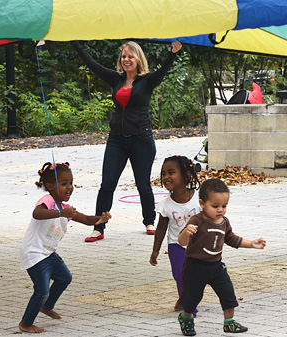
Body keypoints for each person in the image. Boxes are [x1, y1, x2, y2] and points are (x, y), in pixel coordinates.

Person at [71, 39, 182, 242]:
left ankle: (149, 221)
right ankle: (99, 226)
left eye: (130, 56)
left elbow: (164, 70)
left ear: (138, 59)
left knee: (143, 185)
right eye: (123, 56)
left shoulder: (148, 80)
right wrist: (76, 44)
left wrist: (173, 53)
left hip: (142, 139)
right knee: (107, 184)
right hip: (117, 141)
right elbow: (93, 65)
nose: (126, 59)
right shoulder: (116, 79)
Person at [19, 162, 111, 333]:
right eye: (64, 184)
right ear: (50, 186)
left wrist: (101, 219)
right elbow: (36, 214)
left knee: (64, 278)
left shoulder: (65, 208)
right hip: (34, 254)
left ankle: (46, 306)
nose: (69, 187)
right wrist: (61, 213)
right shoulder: (47, 201)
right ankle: (26, 323)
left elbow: (85, 219)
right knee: (41, 291)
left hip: (48, 254)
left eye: (71, 182)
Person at [177, 178, 266, 336]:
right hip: (195, 267)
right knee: (192, 298)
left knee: (228, 293)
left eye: (224, 206)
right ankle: (186, 317)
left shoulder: (224, 222)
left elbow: (232, 239)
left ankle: (229, 322)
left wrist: (252, 243)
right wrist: (186, 232)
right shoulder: (196, 220)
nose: (220, 210)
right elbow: (182, 241)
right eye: (215, 206)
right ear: (202, 203)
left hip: (216, 267)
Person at [149, 156, 201, 312]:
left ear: (187, 175)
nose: (166, 177)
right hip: (176, 245)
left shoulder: (200, 199)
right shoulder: (165, 205)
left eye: (171, 172)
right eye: (163, 173)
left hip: (197, 246)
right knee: (180, 274)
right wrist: (155, 250)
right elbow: (161, 229)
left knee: (195, 277)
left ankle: (184, 299)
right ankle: (189, 307)